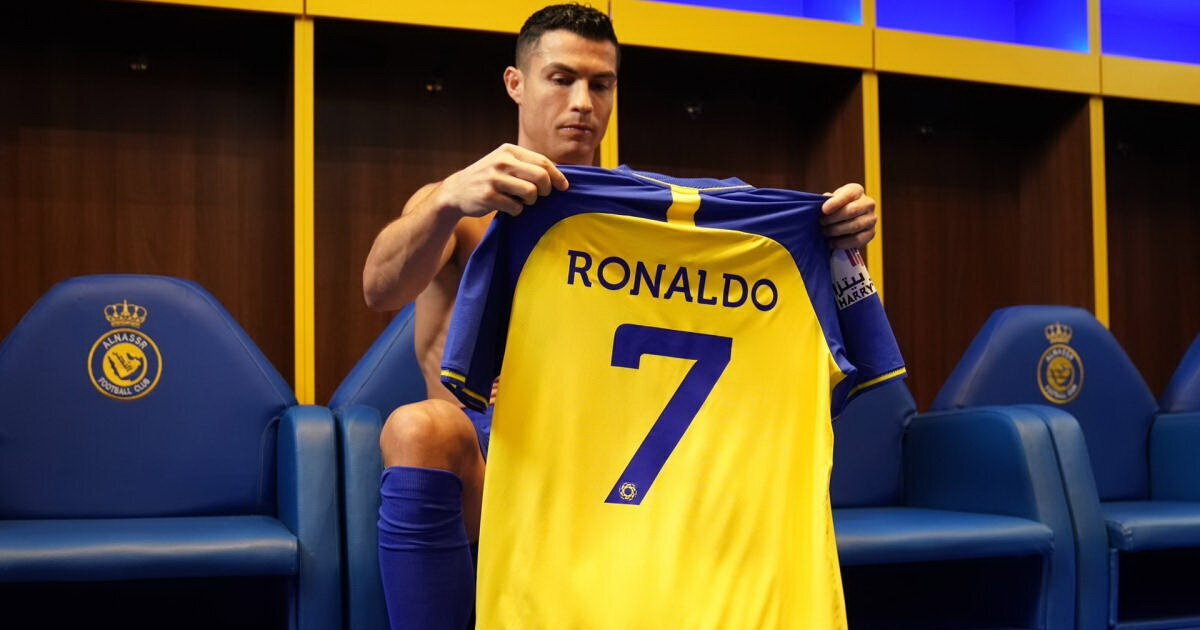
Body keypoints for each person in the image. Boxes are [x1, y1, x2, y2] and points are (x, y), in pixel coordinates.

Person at [361, 4, 878, 628]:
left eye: (600, 84)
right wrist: (448, 198)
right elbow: (379, 288)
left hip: (605, 463)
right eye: (561, 79)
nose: (582, 102)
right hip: (493, 463)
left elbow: (751, 256)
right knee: (419, 428)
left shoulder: (647, 219)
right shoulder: (464, 205)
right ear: (515, 83)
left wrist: (831, 233)